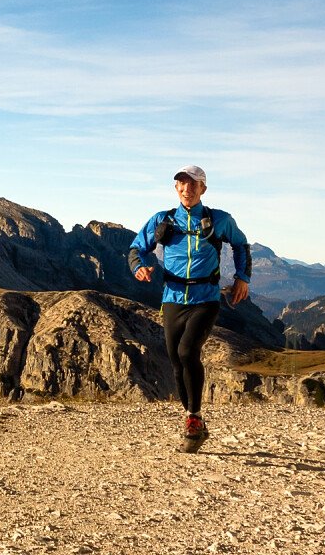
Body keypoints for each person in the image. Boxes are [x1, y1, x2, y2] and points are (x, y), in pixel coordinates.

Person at [128, 165, 251, 451]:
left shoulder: (219, 220)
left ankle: (194, 418)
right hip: (172, 298)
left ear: (203, 189)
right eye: (181, 184)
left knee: (187, 351)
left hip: (206, 297)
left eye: (193, 185)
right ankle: (191, 420)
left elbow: (241, 245)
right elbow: (136, 248)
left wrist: (242, 278)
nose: (187, 189)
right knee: (175, 360)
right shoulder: (163, 220)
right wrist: (139, 267)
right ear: (176, 189)